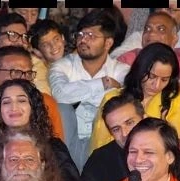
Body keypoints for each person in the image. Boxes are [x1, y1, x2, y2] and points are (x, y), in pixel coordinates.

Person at [48, 11, 128, 159]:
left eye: (91, 36)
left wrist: (80, 95)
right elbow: (59, 94)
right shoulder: (63, 66)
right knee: (62, 109)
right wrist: (104, 83)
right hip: (69, 141)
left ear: (108, 43)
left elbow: (125, 103)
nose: (83, 40)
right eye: (80, 35)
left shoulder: (122, 71)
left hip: (105, 140)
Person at [87, 43, 180, 153]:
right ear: (140, 70)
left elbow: (170, 146)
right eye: (151, 76)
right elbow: (99, 145)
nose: (156, 85)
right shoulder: (112, 98)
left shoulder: (178, 100)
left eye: (164, 80)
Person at [80, 93, 145, 181]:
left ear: (144, 119)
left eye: (129, 123)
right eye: (116, 129)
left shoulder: (167, 154)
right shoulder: (99, 160)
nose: (125, 133)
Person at [118, 11, 180, 97]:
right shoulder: (130, 57)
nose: (151, 33)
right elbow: (117, 84)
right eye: (147, 29)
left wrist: (156, 91)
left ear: (174, 39)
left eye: (161, 29)